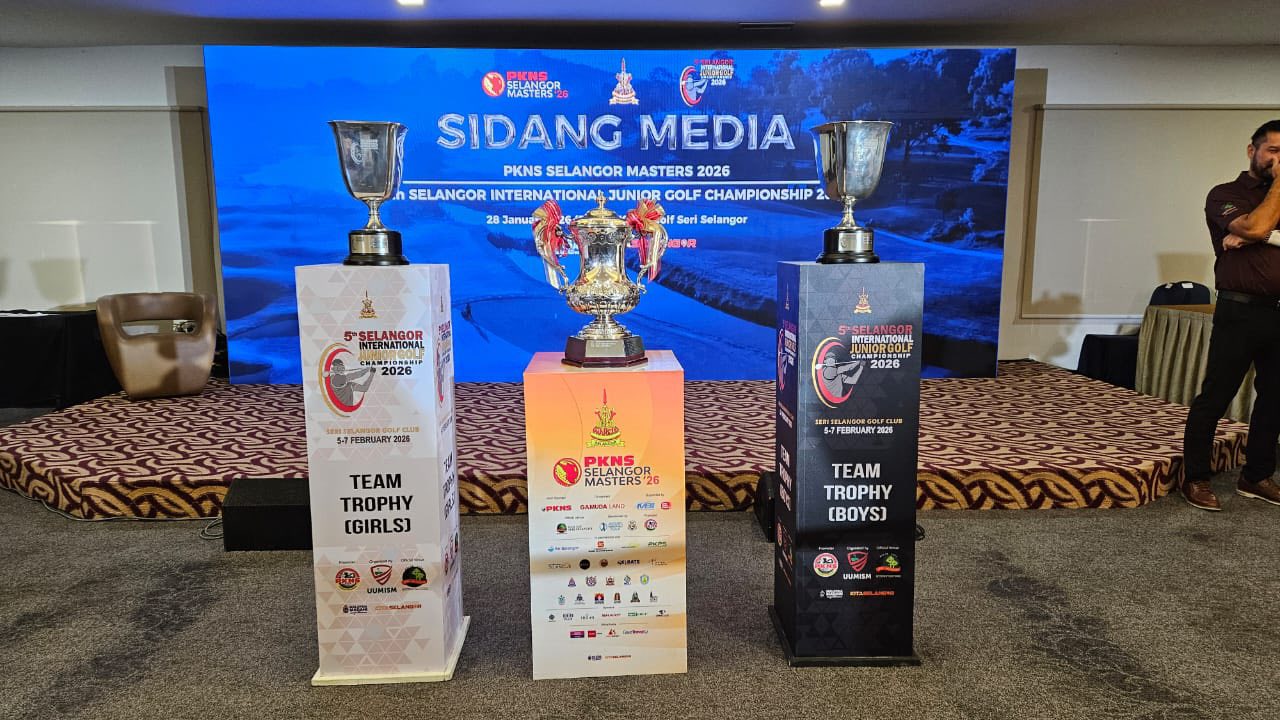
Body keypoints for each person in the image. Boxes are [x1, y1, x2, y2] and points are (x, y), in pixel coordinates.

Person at [1182, 119, 1280, 510]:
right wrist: (1259, 223)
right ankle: (1196, 478)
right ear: (1252, 150)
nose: (1278, 159)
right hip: (1240, 310)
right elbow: (1252, 224)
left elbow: (1257, 231)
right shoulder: (1225, 194)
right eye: (1274, 150)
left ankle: (1256, 476)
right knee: (1216, 395)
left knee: (1274, 398)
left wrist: (1263, 235)